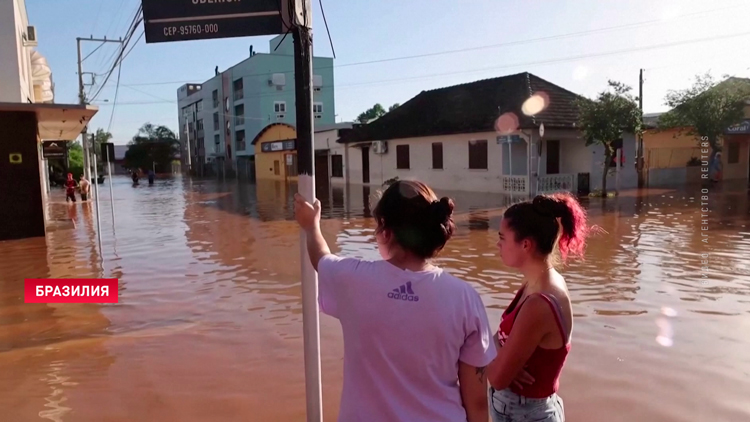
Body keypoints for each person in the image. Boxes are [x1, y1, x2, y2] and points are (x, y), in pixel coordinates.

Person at [294, 180, 496, 422]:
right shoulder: (466, 298)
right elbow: (477, 403)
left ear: (385, 231)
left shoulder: (352, 279)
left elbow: (320, 258)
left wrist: (311, 226)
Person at [487, 193, 591, 422]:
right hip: (524, 407)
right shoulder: (537, 282)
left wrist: (489, 358)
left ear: (525, 244)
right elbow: (498, 337)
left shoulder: (539, 303)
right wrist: (500, 353)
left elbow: (497, 378)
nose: (498, 244)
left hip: (523, 413)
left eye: (502, 238)